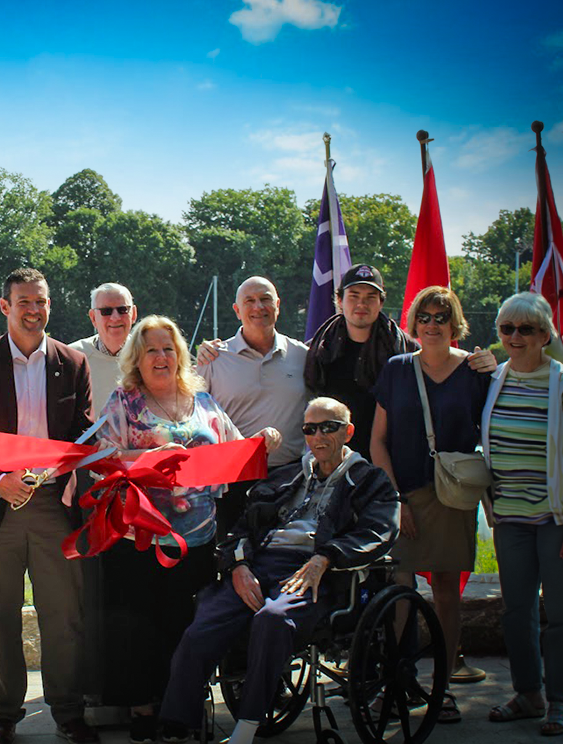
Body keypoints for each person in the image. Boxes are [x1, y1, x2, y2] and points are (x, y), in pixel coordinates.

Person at [160, 397, 399, 744]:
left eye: (328, 427)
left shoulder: (370, 481)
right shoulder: (286, 476)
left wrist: (326, 558)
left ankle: (246, 727)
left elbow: (378, 532)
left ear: (348, 432)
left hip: (319, 571)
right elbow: (242, 527)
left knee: (273, 619)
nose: (318, 436)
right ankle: (178, 724)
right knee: (204, 623)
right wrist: (239, 565)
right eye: (310, 429)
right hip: (259, 564)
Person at [91, 315, 280, 744]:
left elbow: (233, 451)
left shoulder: (205, 401)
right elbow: (99, 459)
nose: (161, 357)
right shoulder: (124, 400)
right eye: (151, 350)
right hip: (138, 536)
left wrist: (260, 440)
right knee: (136, 626)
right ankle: (142, 710)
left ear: (180, 355)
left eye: (168, 348)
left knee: (184, 626)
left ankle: (179, 712)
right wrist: (147, 460)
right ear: (136, 359)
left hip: (197, 538)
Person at [0, 268, 98, 744]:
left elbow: (82, 435)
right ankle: (5, 714)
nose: (34, 310)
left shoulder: (72, 363)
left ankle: (68, 712)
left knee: (63, 615)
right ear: (5, 306)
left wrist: (57, 473)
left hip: (53, 504)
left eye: (42, 301)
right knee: (1, 615)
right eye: (24, 302)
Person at [369, 285, 491, 724]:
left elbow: (491, 437)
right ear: (414, 323)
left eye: (442, 317)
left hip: (453, 497)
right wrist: (395, 498)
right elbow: (377, 441)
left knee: (445, 595)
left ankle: (442, 688)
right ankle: (394, 683)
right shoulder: (397, 370)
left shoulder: (477, 372)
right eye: (425, 317)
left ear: (455, 324)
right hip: (405, 495)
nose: (433, 325)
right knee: (399, 593)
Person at [305, 264, 495, 459]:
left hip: (391, 462)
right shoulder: (316, 351)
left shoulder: (405, 351)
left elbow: (440, 361)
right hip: (333, 462)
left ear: (381, 302)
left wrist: (481, 361)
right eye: (354, 296)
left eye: (370, 297)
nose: (361, 304)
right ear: (339, 300)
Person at [480, 292, 563, 736]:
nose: (514, 337)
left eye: (525, 329)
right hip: (509, 516)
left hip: (556, 518)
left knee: (561, 613)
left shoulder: (561, 381)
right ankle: (528, 693)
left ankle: (560, 700)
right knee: (517, 611)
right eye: (506, 328)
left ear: (545, 336)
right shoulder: (494, 379)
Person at [195, 276, 309, 538]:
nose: (258, 307)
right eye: (249, 301)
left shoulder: (302, 356)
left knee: (281, 563)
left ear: (278, 305)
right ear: (237, 310)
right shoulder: (214, 358)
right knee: (231, 563)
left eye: (265, 299)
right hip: (231, 482)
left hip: (288, 480)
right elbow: (194, 417)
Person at [69, 282, 138, 411]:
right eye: (106, 311)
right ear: (93, 317)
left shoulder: (149, 357)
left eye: (122, 310)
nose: (115, 317)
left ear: (133, 314)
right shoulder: (72, 358)